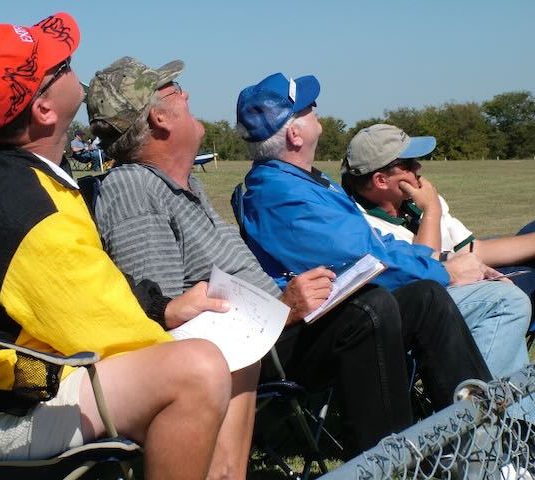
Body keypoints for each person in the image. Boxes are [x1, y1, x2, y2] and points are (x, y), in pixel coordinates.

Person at [86, 57, 492, 460]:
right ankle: (386, 465)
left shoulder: (184, 184)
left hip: (271, 326)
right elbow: (167, 319)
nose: (188, 94)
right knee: (369, 309)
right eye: (174, 90)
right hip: (247, 347)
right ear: (158, 118)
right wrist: (283, 307)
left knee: (424, 297)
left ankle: (485, 447)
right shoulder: (132, 187)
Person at [0, 13, 241, 479]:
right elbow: (113, 335)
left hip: (15, 373)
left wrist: (162, 308)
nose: (72, 62)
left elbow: (91, 286)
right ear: (44, 110)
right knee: (198, 369)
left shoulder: (11, 164)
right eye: (61, 66)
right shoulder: (27, 212)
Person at [237, 73, 531, 383]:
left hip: (376, 302)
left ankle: (494, 407)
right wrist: (446, 272)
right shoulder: (284, 196)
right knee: (504, 301)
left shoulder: (301, 182)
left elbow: (378, 245)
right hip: (360, 316)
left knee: (502, 290)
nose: (315, 110)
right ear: (295, 134)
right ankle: (478, 411)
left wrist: (438, 263)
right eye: (307, 107)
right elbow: (367, 265)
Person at [340, 123, 535, 316]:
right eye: (408, 164)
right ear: (381, 180)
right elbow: (425, 277)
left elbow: (472, 249)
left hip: (468, 281)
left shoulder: (415, 201)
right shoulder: (362, 226)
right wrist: (431, 210)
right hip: (444, 306)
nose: (418, 166)